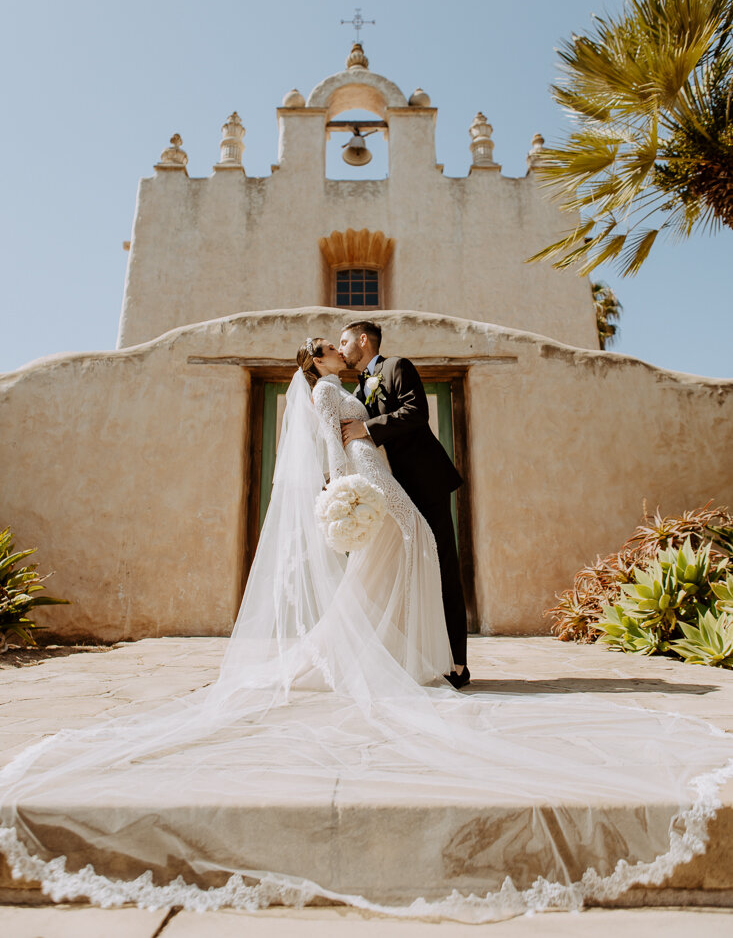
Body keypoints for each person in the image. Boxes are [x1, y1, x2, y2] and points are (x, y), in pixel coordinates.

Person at [1, 338, 732, 924]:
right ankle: (390, 653)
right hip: (362, 474)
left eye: (342, 343)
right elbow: (328, 437)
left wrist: (363, 439)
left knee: (407, 555)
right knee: (402, 552)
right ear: (315, 363)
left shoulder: (378, 375)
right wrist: (343, 480)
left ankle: (402, 652)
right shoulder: (323, 389)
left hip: (375, 467)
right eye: (324, 348)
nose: (335, 350)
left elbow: (389, 417)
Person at [337, 321, 469, 686]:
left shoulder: (396, 367)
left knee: (441, 567)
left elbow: (416, 412)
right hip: (394, 491)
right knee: (409, 571)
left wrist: (368, 428)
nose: (341, 347)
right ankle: (420, 658)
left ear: (363, 340)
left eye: (344, 341)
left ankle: (457, 664)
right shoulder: (359, 386)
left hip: (425, 482)